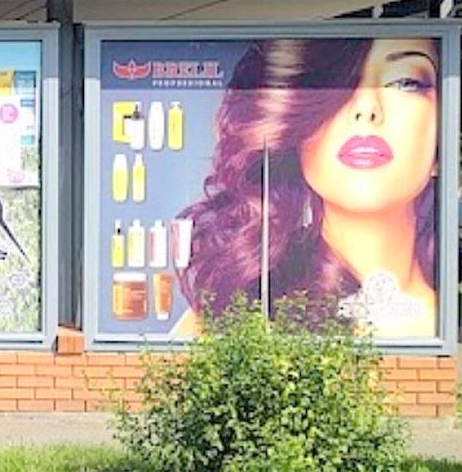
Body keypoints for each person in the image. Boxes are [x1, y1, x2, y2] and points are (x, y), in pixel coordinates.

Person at [172, 36, 440, 340]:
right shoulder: (234, 311)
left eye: (406, 82)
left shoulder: (441, 325)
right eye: (334, 84)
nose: (366, 109)